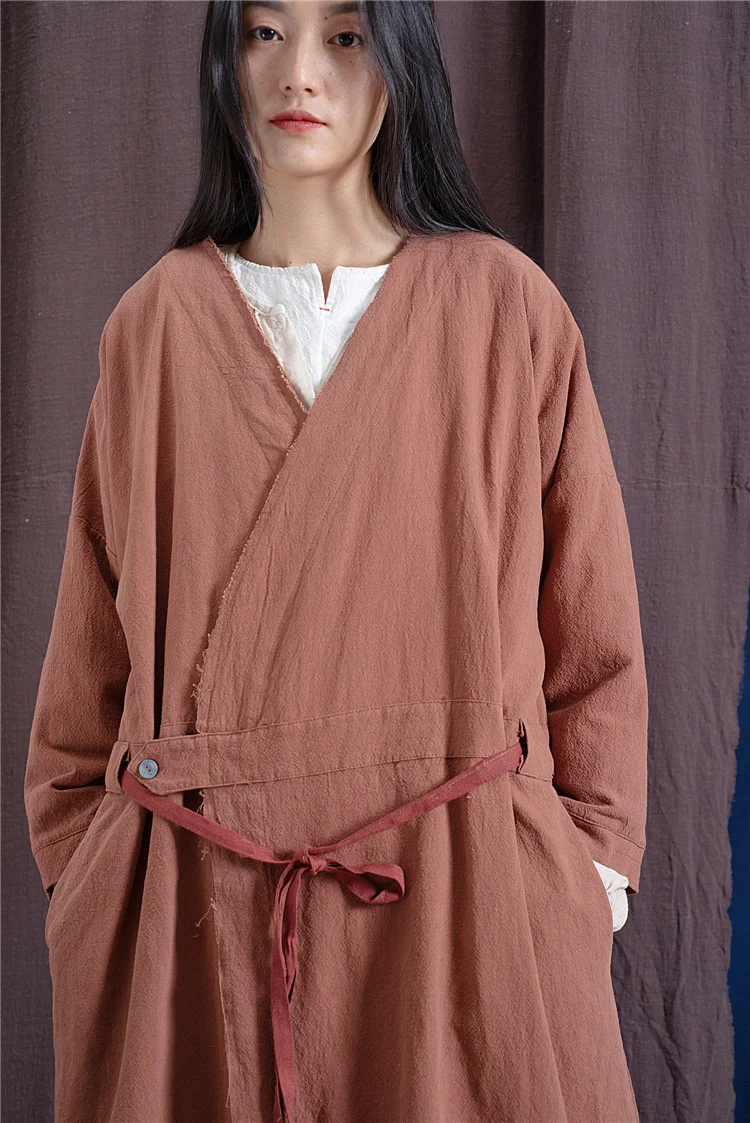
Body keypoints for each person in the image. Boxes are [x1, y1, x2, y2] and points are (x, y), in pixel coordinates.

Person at [24, 2, 648, 1121]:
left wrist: (585, 871)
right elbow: (90, 649)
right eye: (264, 33)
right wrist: (87, 870)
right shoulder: (154, 324)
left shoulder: (510, 311)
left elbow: (591, 629)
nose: (299, 72)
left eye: (345, 36)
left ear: (402, 61)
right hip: (197, 898)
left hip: (469, 896)